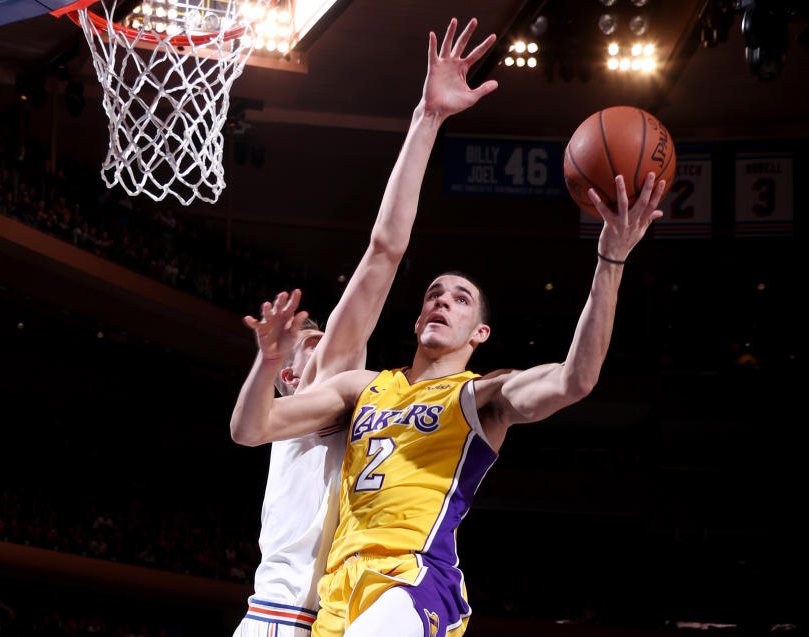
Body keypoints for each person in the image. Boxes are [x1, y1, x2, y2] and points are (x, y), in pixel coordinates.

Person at [230, 181, 666, 633]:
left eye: (461, 300)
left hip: (415, 579)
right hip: (340, 587)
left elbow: (576, 378)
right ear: (419, 321)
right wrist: (269, 363)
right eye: (434, 295)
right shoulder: (362, 388)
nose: (443, 300)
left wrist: (610, 261)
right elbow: (251, 429)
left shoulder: (482, 397)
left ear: (480, 334)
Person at [232, 18, 500, 637]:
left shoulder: (349, 389)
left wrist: (426, 120)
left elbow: (384, 252)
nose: (327, 342)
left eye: (324, 336)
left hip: (337, 611)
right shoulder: (302, 401)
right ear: (290, 371)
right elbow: (246, 427)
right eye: (310, 341)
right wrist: (266, 361)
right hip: (280, 614)